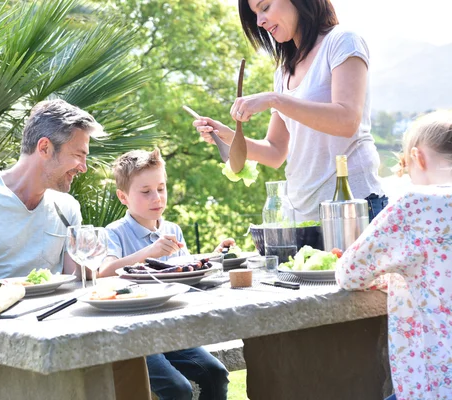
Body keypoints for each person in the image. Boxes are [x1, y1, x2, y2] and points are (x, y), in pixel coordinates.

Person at [0, 99, 152, 400]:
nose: (84, 168)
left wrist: (98, 271)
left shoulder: (67, 208)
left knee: (124, 342)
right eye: (78, 156)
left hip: (47, 335)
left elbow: (80, 281)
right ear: (45, 147)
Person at [193, 0, 387, 222]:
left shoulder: (342, 41)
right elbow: (275, 152)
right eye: (255, 14)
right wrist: (227, 136)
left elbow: (347, 120)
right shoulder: (284, 72)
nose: (259, 21)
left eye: (264, 7)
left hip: (354, 207)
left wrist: (275, 99)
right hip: (303, 214)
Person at [336, 111, 452, 400]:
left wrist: (395, 275)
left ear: (418, 157)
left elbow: (350, 272)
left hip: (434, 385)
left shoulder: (417, 205)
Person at [99, 148, 231, 400]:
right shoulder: (114, 232)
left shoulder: (172, 230)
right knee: (178, 389)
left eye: (161, 188)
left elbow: (187, 273)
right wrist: (149, 252)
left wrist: (213, 257)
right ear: (123, 197)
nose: (156, 197)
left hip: (171, 330)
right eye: (146, 192)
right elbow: (104, 273)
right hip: (134, 336)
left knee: (216, 373)